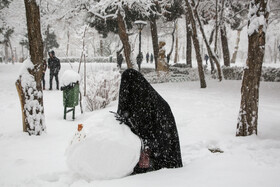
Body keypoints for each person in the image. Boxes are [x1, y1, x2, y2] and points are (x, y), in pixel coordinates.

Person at [117, 69, 183, 174]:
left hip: (162, 126)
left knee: (163, 159)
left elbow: (144, 126)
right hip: (159, 124)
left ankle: (161, 165)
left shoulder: (143, 98)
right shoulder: (138, 93)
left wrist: (147, 149)